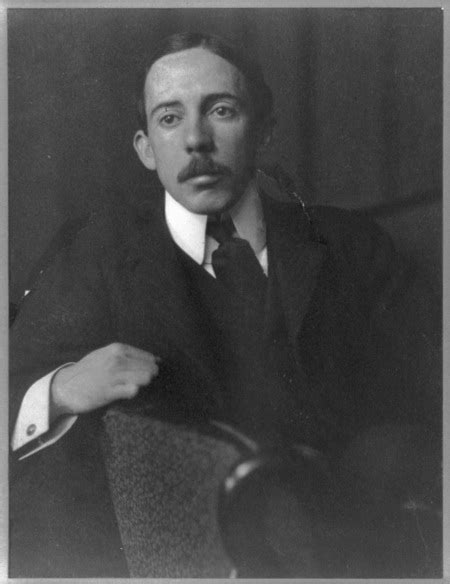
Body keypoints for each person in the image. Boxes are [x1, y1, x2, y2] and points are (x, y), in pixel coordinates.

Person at [9, 32, 441, 578]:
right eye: (170, 119)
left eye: (221, 110)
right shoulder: (96, 259)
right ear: (146, 149)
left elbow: (428, 405)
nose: (197, 140)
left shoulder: (352, 246)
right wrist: (62, 388)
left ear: (264, 130)